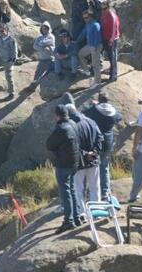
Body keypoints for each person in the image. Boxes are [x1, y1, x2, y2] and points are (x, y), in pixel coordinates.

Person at [66, 96, 103, 221]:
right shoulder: (91, 121)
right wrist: (95, 152)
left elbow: (72, 146)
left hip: (80, 163)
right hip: (94, 160)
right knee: (95, 187)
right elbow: (100, 138)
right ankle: (97, 212)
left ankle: (81, 213)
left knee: (78, 188)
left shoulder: (71, 126)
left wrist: (85, 153)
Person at [46, 105, 81, 233]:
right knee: (72, 190)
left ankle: (69, 221)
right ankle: (77, 217)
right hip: (75, 162)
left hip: (63, 164)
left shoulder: (61, 128)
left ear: (57, 115)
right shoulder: (73, 123)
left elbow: (49, 144)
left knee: (65, 192)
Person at [84, 93, 122, 201]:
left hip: (95, 141)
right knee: (104, 167)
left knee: (92, 167)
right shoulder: (113, 112)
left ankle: (90, 192)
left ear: (99, 100)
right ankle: (105, 192)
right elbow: (119, 117)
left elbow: (84, 112)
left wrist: (94, 106)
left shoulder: (95, 111)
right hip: (108, 142)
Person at [0, 23, 17, 98]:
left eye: (3, 31)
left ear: (7, 30)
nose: (1, 33)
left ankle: (11, 93)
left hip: (8, 60)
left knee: (8, 76)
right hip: (0, 57)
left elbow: (15, 52)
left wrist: (12, 62)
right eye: (0, 31)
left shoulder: (11, 40)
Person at [76, 10, 102, 87]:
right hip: (89, 45)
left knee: (95, 64)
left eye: (86, 17)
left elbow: (98, 38)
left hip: (96, 46)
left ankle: (97, 82)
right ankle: (86, 70)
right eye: (84, 18)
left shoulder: (95, 25)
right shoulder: (87, 25)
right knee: (80, 54)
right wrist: (76, 41)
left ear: (90, 17)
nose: (85, 19)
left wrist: (94, 47)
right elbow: (83, 34)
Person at [99, 0, 120, 82]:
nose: (103, 10)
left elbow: (114, 29)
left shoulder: (112, 16)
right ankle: (110, 71)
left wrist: (111, 40)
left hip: (112, 39)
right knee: (108, 56)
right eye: (102, 9)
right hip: (105, 38)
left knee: (112, 57)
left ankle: (113, 76)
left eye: (104, 9)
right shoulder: (104, 14)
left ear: (108, 8)